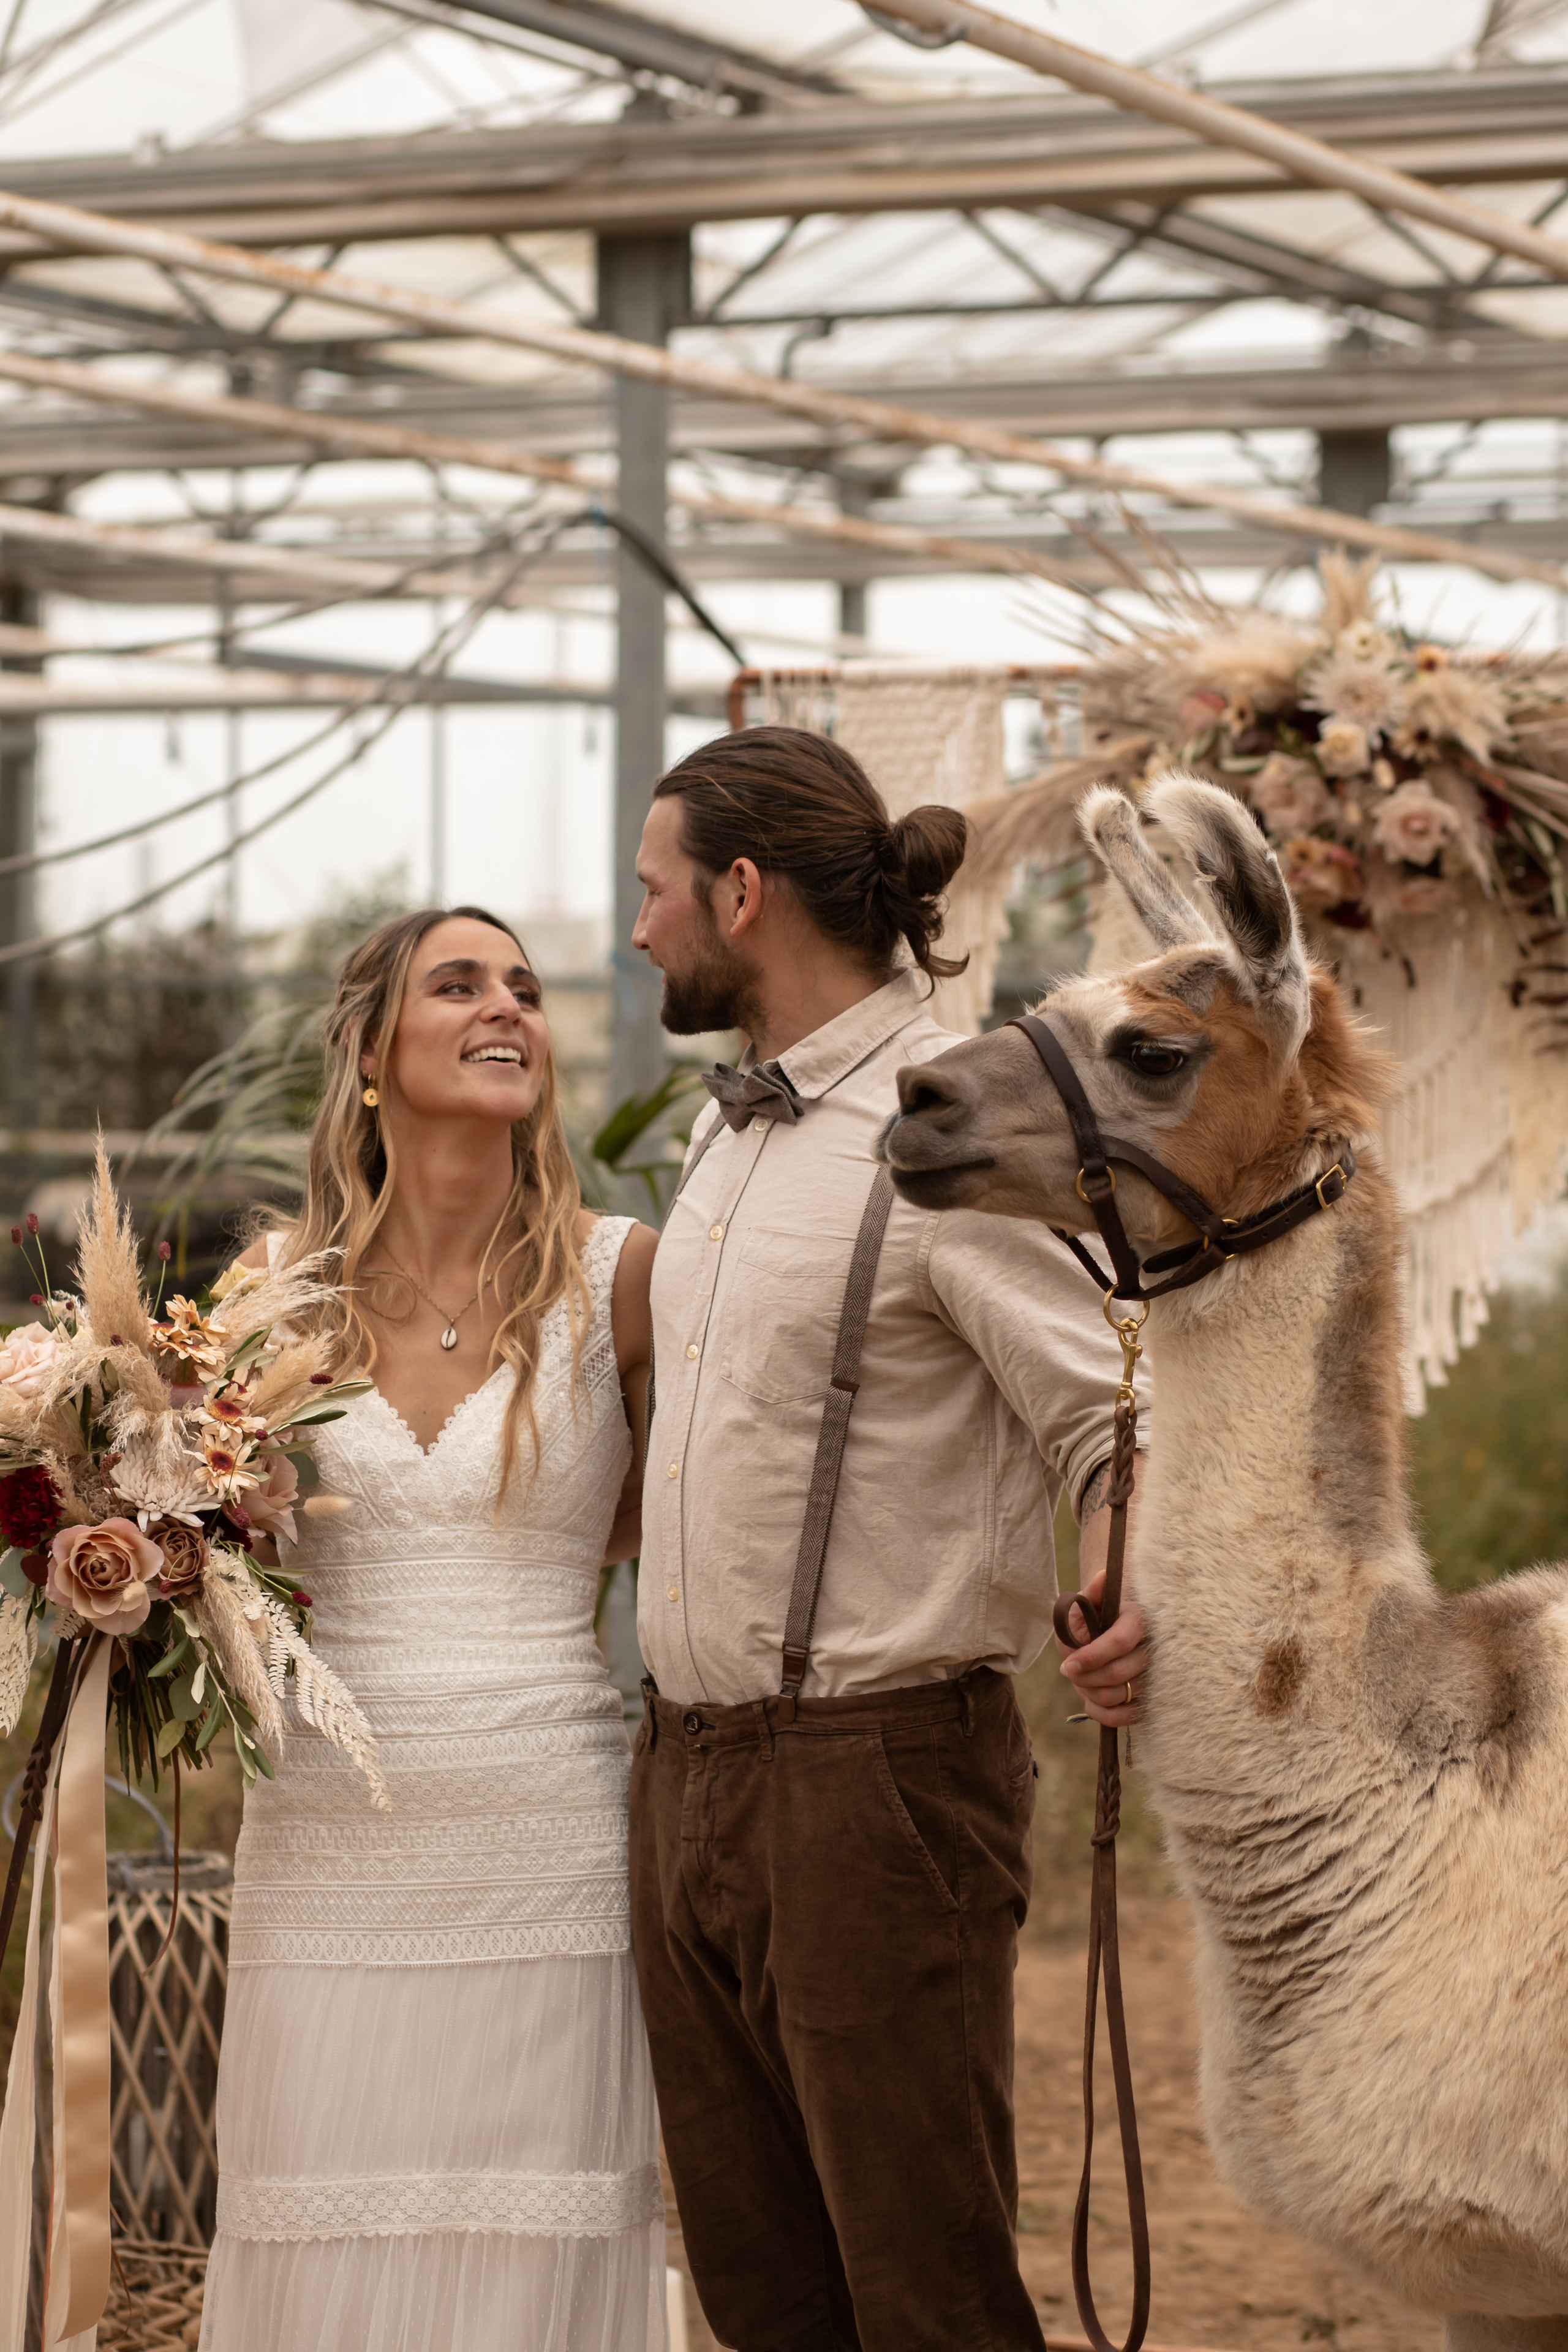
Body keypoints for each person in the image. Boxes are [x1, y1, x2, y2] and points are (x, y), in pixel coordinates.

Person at [628, 726, 1150, 2352]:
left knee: (924, 2295)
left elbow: (1120, 1415)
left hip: (879, 1786)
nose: (635, 926)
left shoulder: (953, 1126)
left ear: (739, 890)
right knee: (761, 2292)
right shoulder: (722, 1137)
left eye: (653, 890)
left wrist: (1128, 1588)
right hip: (684, 1776)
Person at [198, 906, 666, 2352]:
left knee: (545, 2237)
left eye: (523, 990)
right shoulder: (272, 1296)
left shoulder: (626, 1276)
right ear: (369, 1051)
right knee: (321, 2208)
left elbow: (690, 1518)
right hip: (331, 1836)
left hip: (553, 1828)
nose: (506, 1008)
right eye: (457, 985)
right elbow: (212, 1574)